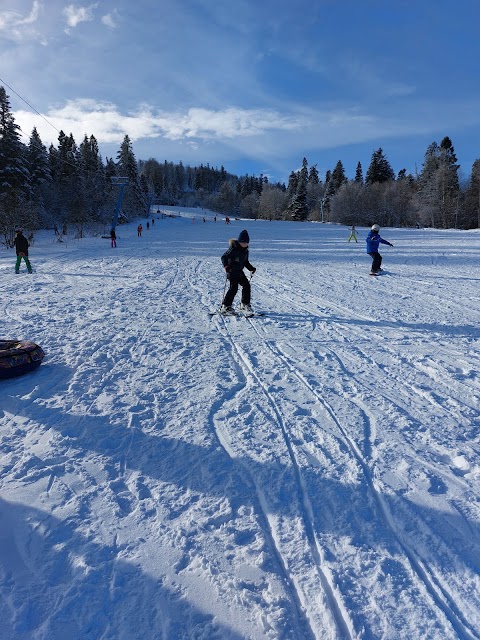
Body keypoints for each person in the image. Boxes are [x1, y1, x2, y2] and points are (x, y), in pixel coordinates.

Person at [220, 229, 256, 314]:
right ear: (239, 241)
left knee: (246, 285)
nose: (244, 244)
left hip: (239, 272)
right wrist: (226, 266)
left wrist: (251, 268)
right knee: (234, 288)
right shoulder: (233, 248)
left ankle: (245, 304)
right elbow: (224, 257)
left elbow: (245, 262)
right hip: (231, 271)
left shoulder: (246, 251)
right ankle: (226, 306)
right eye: (242, 242)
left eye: (246, 242)